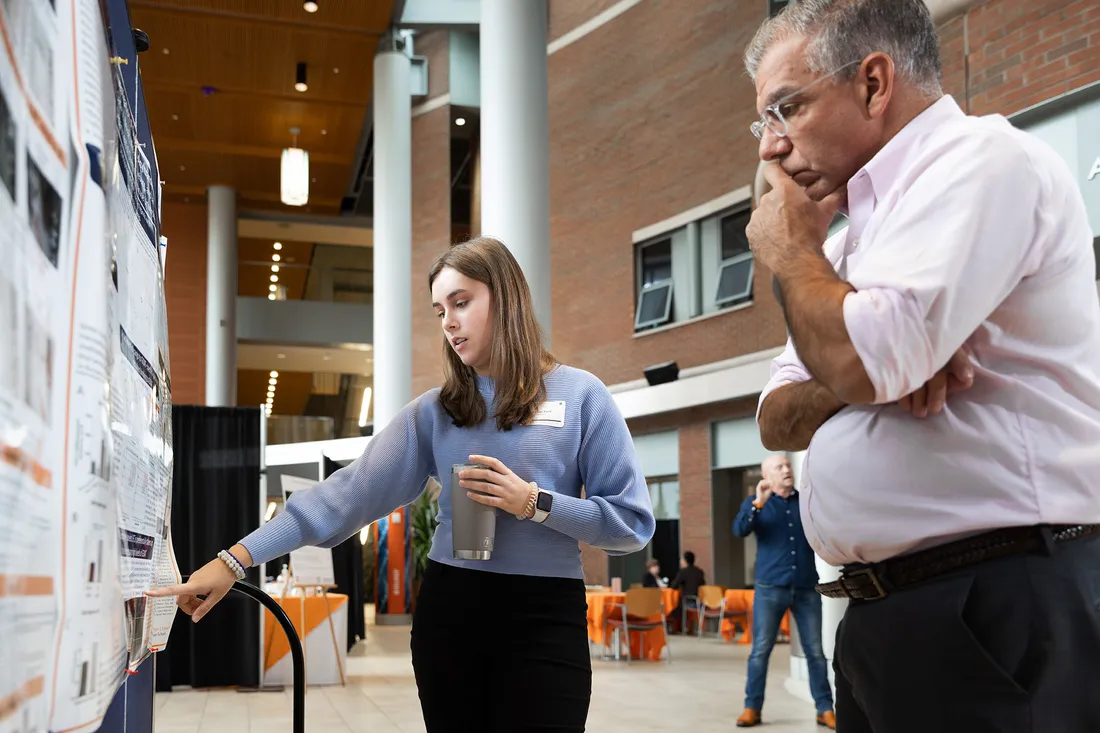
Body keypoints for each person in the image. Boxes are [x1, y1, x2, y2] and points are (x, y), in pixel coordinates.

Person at [744, 1, 1100, 731]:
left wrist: (792, 255)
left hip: (993, 597)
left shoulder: (982, 161)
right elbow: (776, 416)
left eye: (786, 108)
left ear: (874, 83)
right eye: (765, 122)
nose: (770, 149)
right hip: (886, 614)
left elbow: (859, 357)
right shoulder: (851, 242)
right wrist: (872, 371)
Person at [148, 237, 657, 733]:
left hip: (546, 615)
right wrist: (233, 559)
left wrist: (534, 503)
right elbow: (342, 498)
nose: (450, 323)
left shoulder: (583, 395)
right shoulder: (436, 413)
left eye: (461, 302)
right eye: (440, 311)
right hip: (453, 612)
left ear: (506, 298)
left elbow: (631, 525)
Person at [732, 455, 834, 729]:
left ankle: (825, 708)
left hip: (805, 587)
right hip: (769, 588)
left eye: (788, 465)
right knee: (760, 650)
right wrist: (758, 503)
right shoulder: (758, 503)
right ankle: (752, 708)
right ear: (767, 475)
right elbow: (740, 529)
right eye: (779, 467)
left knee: (815, 651)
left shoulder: (806, 502)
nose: (787, 470)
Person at [668, 550, 706, 633]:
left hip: (688, 601)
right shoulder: (699, 572)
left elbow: (674, 586)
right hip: (699, 601)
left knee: (673, 605)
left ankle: (676, 629)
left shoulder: (683, 572)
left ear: (685, 561)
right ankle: (689, 628)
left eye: (681, 559)